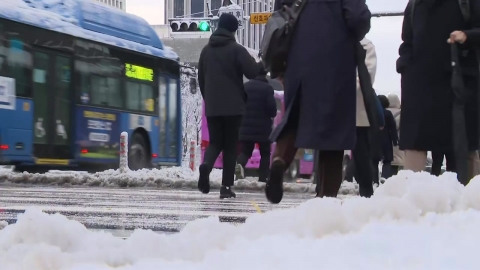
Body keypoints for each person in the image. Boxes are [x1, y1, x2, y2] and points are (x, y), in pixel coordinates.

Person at [267, 0, 371, 204]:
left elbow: (280, 13)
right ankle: (326, 201)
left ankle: (280, 161)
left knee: (295, 117)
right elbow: (357, 17)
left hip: (297, 58)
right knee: (334, 134)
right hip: (334, 60)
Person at [397, 0, 480, 184]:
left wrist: (467, 36)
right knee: (415, 145)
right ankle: (414, 203)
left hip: (459, 84)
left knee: (462, 146)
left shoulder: (467, 2)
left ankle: (469, 205)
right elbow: (407, 41)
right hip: (419, 86)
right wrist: (405, 65)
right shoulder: (415, 4)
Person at [197, 13, 262, 198]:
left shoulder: (205, 51)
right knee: (231, 147)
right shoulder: (236, 49)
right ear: (233, 30)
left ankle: (206, 167)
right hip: (234, 108)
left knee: (215, 142)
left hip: (213, 106)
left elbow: (201, 79)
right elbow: (251, 72)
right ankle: (226, 188)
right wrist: (261, 64)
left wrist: (209, 100)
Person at [349, 38, 384, 197]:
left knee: (361, 154)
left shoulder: (366, 45)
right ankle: (324, 193)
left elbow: (366, 77)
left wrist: (340, 87)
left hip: (357, 109)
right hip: (337, 107)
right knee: (329, 152)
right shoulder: (332, 39)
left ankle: (366, 193)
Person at [235, 67, 277, 183]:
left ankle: (239, 165)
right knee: (265, 153)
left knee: (246, 151)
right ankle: (263, 178)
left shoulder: (245, 87)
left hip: (245, 126)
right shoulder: (268, 88)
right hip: (263, 128)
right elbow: (272, 110)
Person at [377, 95, 399, 180]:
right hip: (386, 139)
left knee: (374, 161)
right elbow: (393, 128)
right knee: (387, 160)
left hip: (374, 139)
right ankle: (384, 177)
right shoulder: (388, 113)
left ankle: (374, 179)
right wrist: (395, 141)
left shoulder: (372, 113)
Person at [386, 93, 403, 175]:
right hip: (398, 139)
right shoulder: (401, 113)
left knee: (388, 160)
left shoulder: (384, 112)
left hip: (385, 138)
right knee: (397, 161)